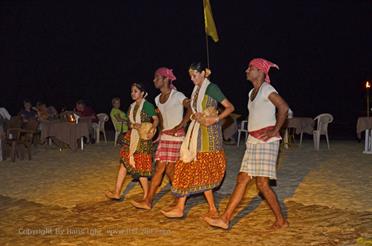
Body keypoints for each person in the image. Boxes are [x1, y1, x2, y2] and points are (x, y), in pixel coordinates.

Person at [204, 58, 289, 230]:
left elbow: (284, 108)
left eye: (250, 68)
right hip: (253, 141)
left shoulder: (267, 89)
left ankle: (281, 220)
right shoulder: (251, 93)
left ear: (260, 71)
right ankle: (225, 219)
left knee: (262, 184)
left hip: (267, 142)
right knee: (242, 178)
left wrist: (274, 131)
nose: (246, 70)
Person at [161, 62, 234, 218]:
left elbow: (230, 107)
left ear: (203, 74)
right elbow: (193, 111)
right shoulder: (196, 90)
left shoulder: (211, 88)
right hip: (195, 133)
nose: (192, 79)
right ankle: (183, 208)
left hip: (209, 136)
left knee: (202, 169)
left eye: (195, 75)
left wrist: (214, 119)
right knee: (190, 167)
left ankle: (210, 209)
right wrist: (187, 121)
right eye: (191, 76)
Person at [131, 67, 189, 210]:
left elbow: (191, 107)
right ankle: (151, 200)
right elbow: (162, 119)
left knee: (168, 170)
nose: (154, 80)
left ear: (166, 79)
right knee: (162, 169)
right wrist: (158, 132)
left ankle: (178, 198)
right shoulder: (157, 99)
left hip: (176, 138)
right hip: (165, 137)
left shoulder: (177, 95)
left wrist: (182, 123)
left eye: (157, 77)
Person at [105, 82, 159, 200]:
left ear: (143, 93)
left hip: (143, 139)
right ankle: (117, 192)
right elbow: (128, 122)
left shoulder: (147, 106)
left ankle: (146, 196)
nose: (133, 93)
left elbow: (156, 119)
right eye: (132, 91)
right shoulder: (131, 106)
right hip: (132, 137)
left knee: (140, 168)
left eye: (135, 91)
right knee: (124, 164)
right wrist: (133, 125)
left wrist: (151, 129)